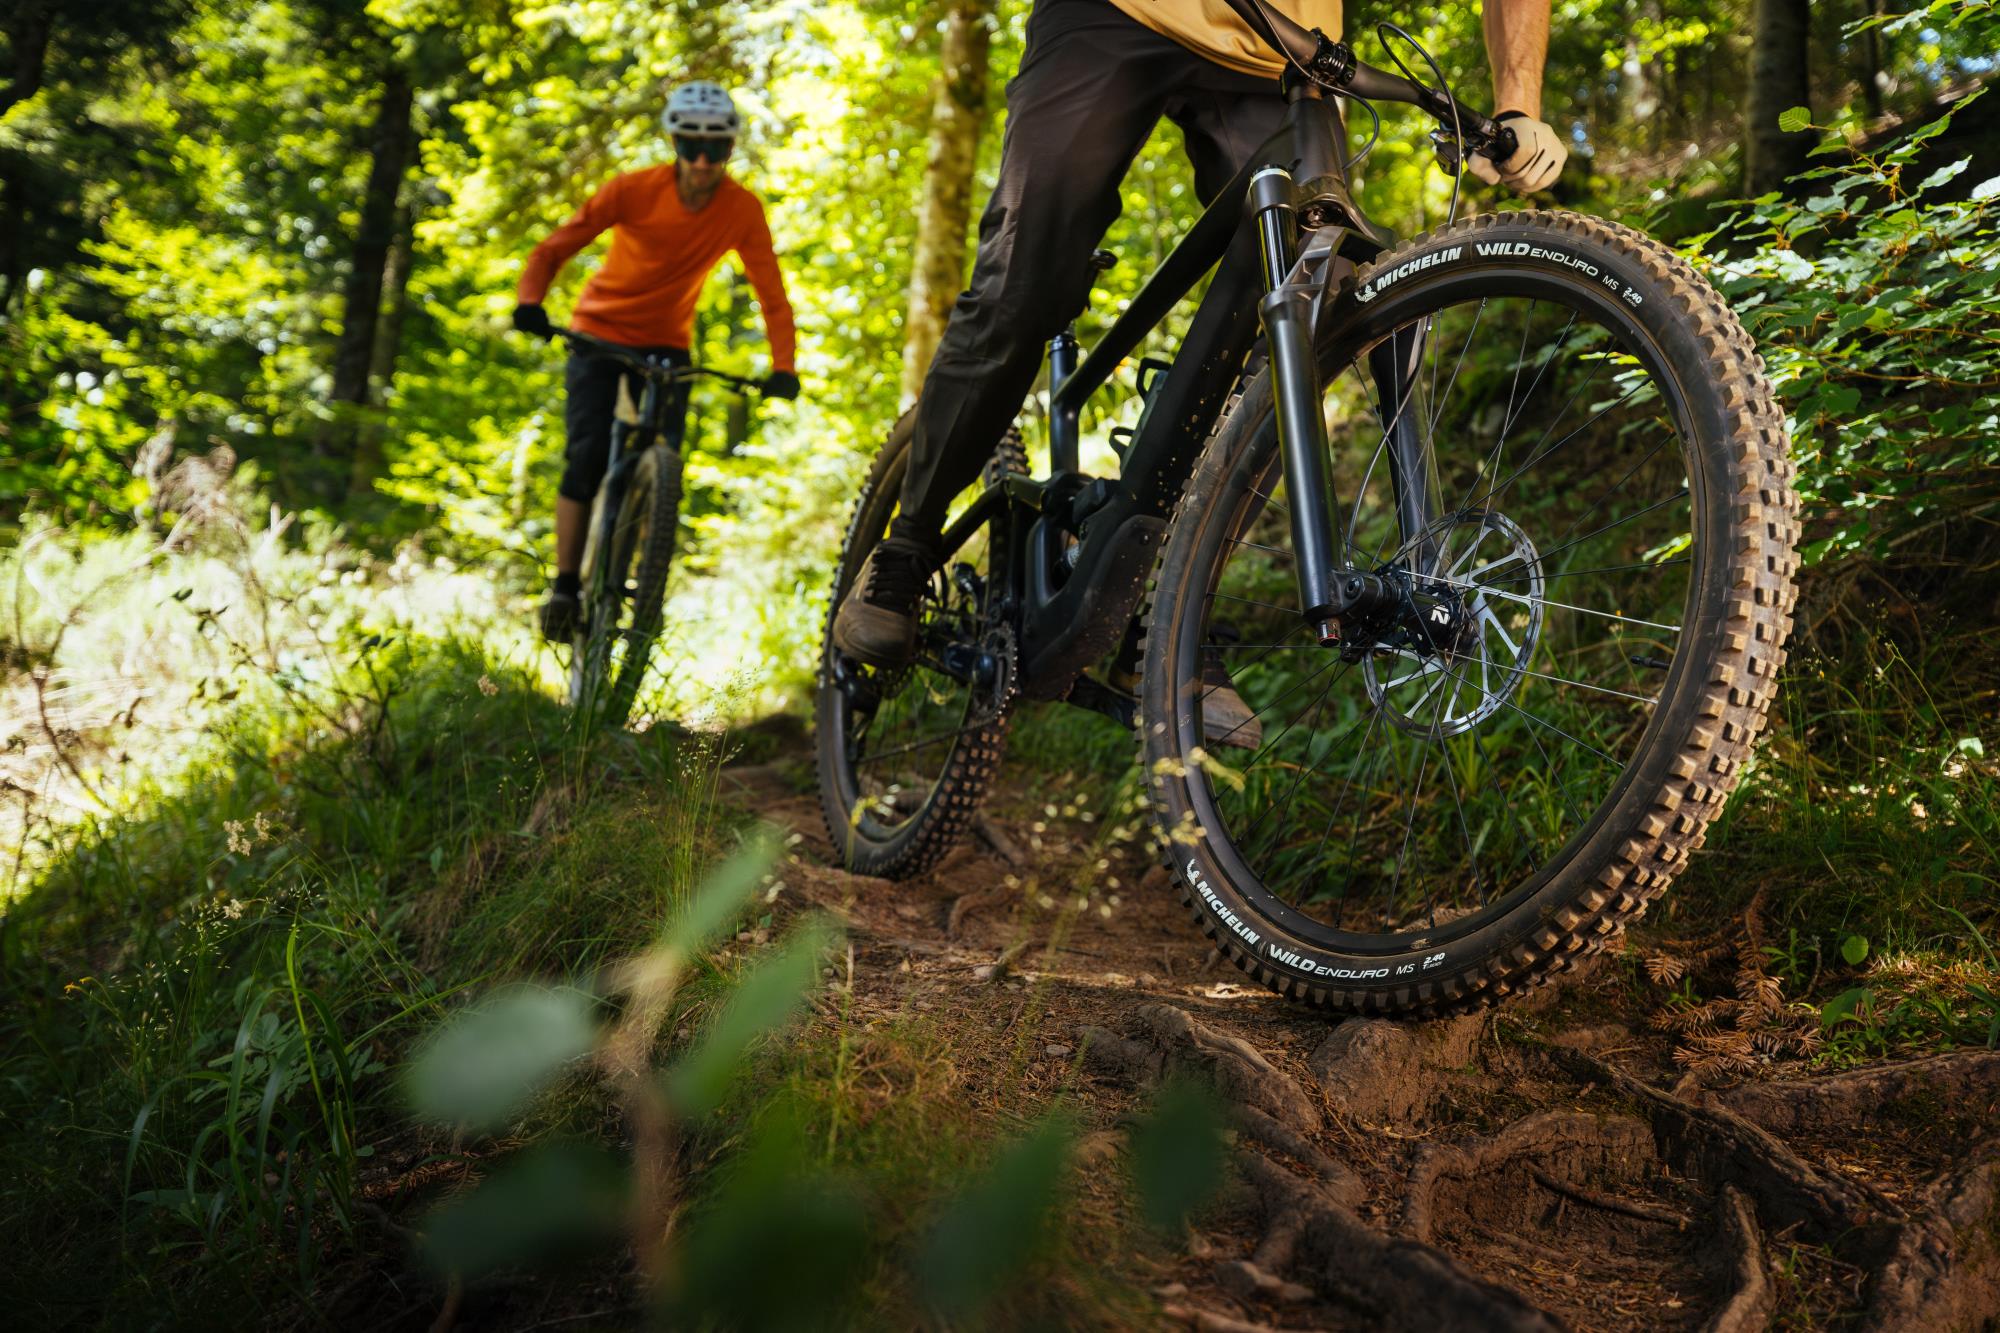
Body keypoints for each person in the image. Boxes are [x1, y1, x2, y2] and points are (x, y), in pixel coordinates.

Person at [831, 0, 1567, 669]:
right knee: (1025, 283)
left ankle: (1169, 591)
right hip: (1114, 13)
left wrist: (1517, 102)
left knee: (1313, 286)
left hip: (1287, 51)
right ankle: (908, 544)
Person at [514, 80, 801, 641]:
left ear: (729, 151)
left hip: (667, 341)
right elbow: (553, 248)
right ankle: (566, 585)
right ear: (673, 143)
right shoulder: (632, 190)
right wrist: (530, 301)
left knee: (665, 456)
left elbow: (772, 294)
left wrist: (784, 366)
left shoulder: (742, 209)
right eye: (690, 146)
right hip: (598, 331)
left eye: (715, 149)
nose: (701, 161)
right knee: (587, 455)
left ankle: (645, 587)